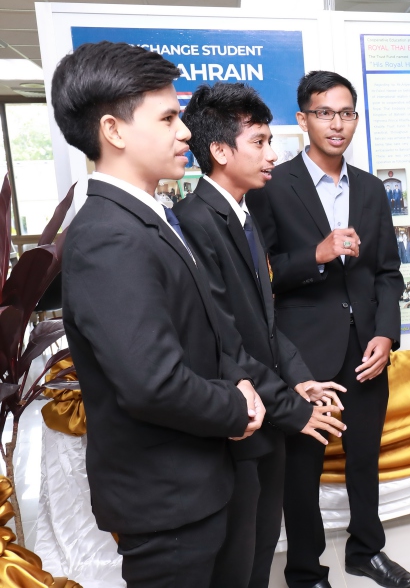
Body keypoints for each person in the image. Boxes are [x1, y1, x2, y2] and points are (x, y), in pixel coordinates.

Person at [55, 41, 264, 587]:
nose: (186, 132)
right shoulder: (107, 237)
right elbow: (152, 383)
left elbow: (215, 327)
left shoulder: (154, 215)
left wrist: (242, 383)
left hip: (203, 480)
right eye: (169, 117)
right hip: (167, 501)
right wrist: (237, 407)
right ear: (114, 131)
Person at [247, 71, 410, 588]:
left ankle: (367, 551)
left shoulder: (369, 188)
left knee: (365, 459)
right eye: (323, 113)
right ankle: (305, 570)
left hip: (365, 350)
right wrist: (315, 256)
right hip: (303, 356)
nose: (336, 124)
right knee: (303, 472)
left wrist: (386, 334)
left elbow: (388, 271)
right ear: (302, 120)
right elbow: (261, 274)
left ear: (356, 120)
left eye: (346, 113)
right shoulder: (273, 187)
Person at [176, 82, 346, 588]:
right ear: (220, 151)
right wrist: (296, 411)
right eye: (260, 142)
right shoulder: (195, 223)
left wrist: (299, 380)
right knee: (238, 559)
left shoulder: (244, 214)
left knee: (260, 546)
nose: (273, 153)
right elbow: (225, 340)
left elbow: (264, 321)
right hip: (241, 421)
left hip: (269, 412)